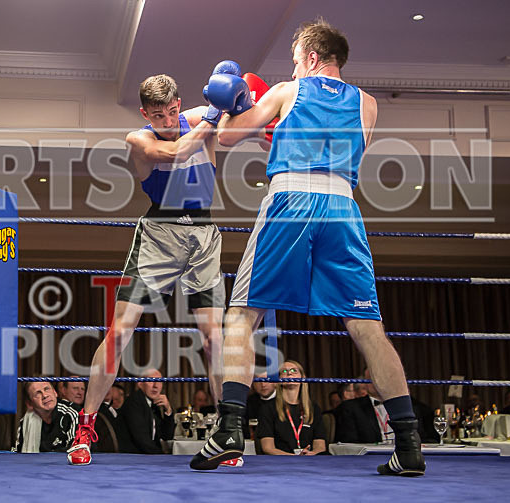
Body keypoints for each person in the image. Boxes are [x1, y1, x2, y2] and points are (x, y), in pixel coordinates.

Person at [191, 19, 425, 476]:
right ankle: (409, 444)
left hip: (291, 201)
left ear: (313, 58)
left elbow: (229, 137)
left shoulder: (287, 91)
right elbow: (341, 153)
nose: (294, 68)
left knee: (242, 315)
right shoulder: (368, 104)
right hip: (343, 207)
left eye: (297, 60)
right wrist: (279, 135)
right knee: (367, 328)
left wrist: (227, 106)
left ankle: (230, 428)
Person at [68, 72, 227, 465]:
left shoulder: (197, 117)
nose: (168, 121)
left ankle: (226, 431)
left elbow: (236, 129)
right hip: (159, 234)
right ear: (145, 114)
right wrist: (215, 113)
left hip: (204, 233)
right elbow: (176, 154)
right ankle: (85, 427)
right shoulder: (138, 139)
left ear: (179, 103)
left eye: (172, 111)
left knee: (214, 339)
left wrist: (246, 107)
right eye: (158, 115)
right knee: (120, 332)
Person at [335, 368, 437, 444]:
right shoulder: (350, 408)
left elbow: (429, 440)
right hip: (369, 460)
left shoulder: (416, 407)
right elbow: (348, 443)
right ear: (365, 383)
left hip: (405, 458)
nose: (377, 383)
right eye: (371, 379)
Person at [256, 361, 326, 455]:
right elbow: (268, 448)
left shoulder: (313, 408)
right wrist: (295, 457)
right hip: (281, 461)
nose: (289, 373)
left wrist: (312, 453)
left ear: (303, 378)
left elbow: (320, 446)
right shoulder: (267, 408)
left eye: (294, 371)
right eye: (284, 371)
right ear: (279, 380)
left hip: (310, 460)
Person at [118, 369, 175, 454]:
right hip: (134, 456)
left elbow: (167, 436)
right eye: (151, 381)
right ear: (140, 384)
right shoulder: (133, 402)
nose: (155, 386)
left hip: (147, 454)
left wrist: (168, 410)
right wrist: (162, 456)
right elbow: (142, 441)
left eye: (159, 381)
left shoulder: (153, 404)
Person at [15, 380, 79, 453]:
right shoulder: (26, 422)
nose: (45, 395)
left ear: (55, 392)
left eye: (46, 389)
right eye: (37, 393)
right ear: (29, 404)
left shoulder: (71, 413)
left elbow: (76, 449)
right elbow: (17, 453)